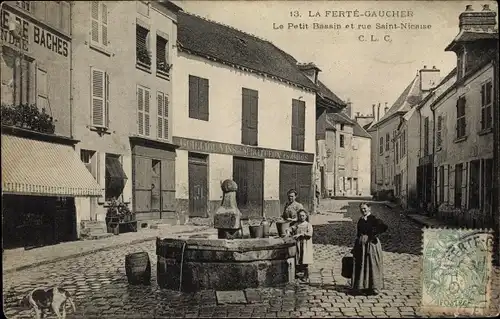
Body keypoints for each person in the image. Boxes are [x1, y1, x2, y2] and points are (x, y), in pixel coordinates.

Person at [351, 202, 388, 295]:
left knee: (372, 264)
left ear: (369, 209)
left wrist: (373, 235)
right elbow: (358, 233)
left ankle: (374, 287)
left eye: (365, 208)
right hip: (361, 246)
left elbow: (384, 227)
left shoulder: (373, 219)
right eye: (361, 209)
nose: (363, 210)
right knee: (362, 264)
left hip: (371, 245)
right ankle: (363, 286)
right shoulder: (360, 220)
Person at [290, 209, 314, 283]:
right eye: (300, 216)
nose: (301, 217)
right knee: (298, 258)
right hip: (298, 244)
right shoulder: (297, 224)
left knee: (305, 259)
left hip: (305, 244)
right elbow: (291, 228)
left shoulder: (308, 225)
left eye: (303, 216)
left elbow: (310, 234)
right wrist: (288, 230)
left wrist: (301, 234)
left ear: (306, 216)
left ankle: (306, 276)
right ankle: (297, 273)